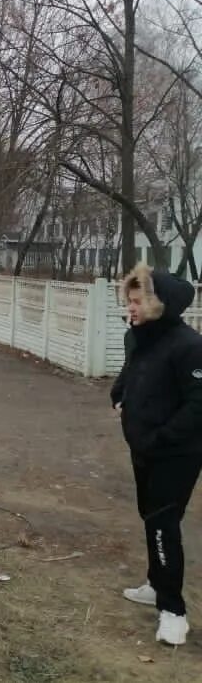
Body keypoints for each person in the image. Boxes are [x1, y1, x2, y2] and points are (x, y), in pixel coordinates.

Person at [111, 262, 202, 647]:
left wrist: (162, 437)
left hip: (176, 453)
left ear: (158, 303)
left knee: (163, 523)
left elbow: (198, 404)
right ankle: (155, 582)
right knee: (150, 517)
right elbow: (132, 371)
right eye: (129, 300)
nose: (130, 307)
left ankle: (173, 611)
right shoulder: (140, 336)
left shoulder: (188, 345)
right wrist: (119, 394)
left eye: (137, 301)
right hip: (143, 447)